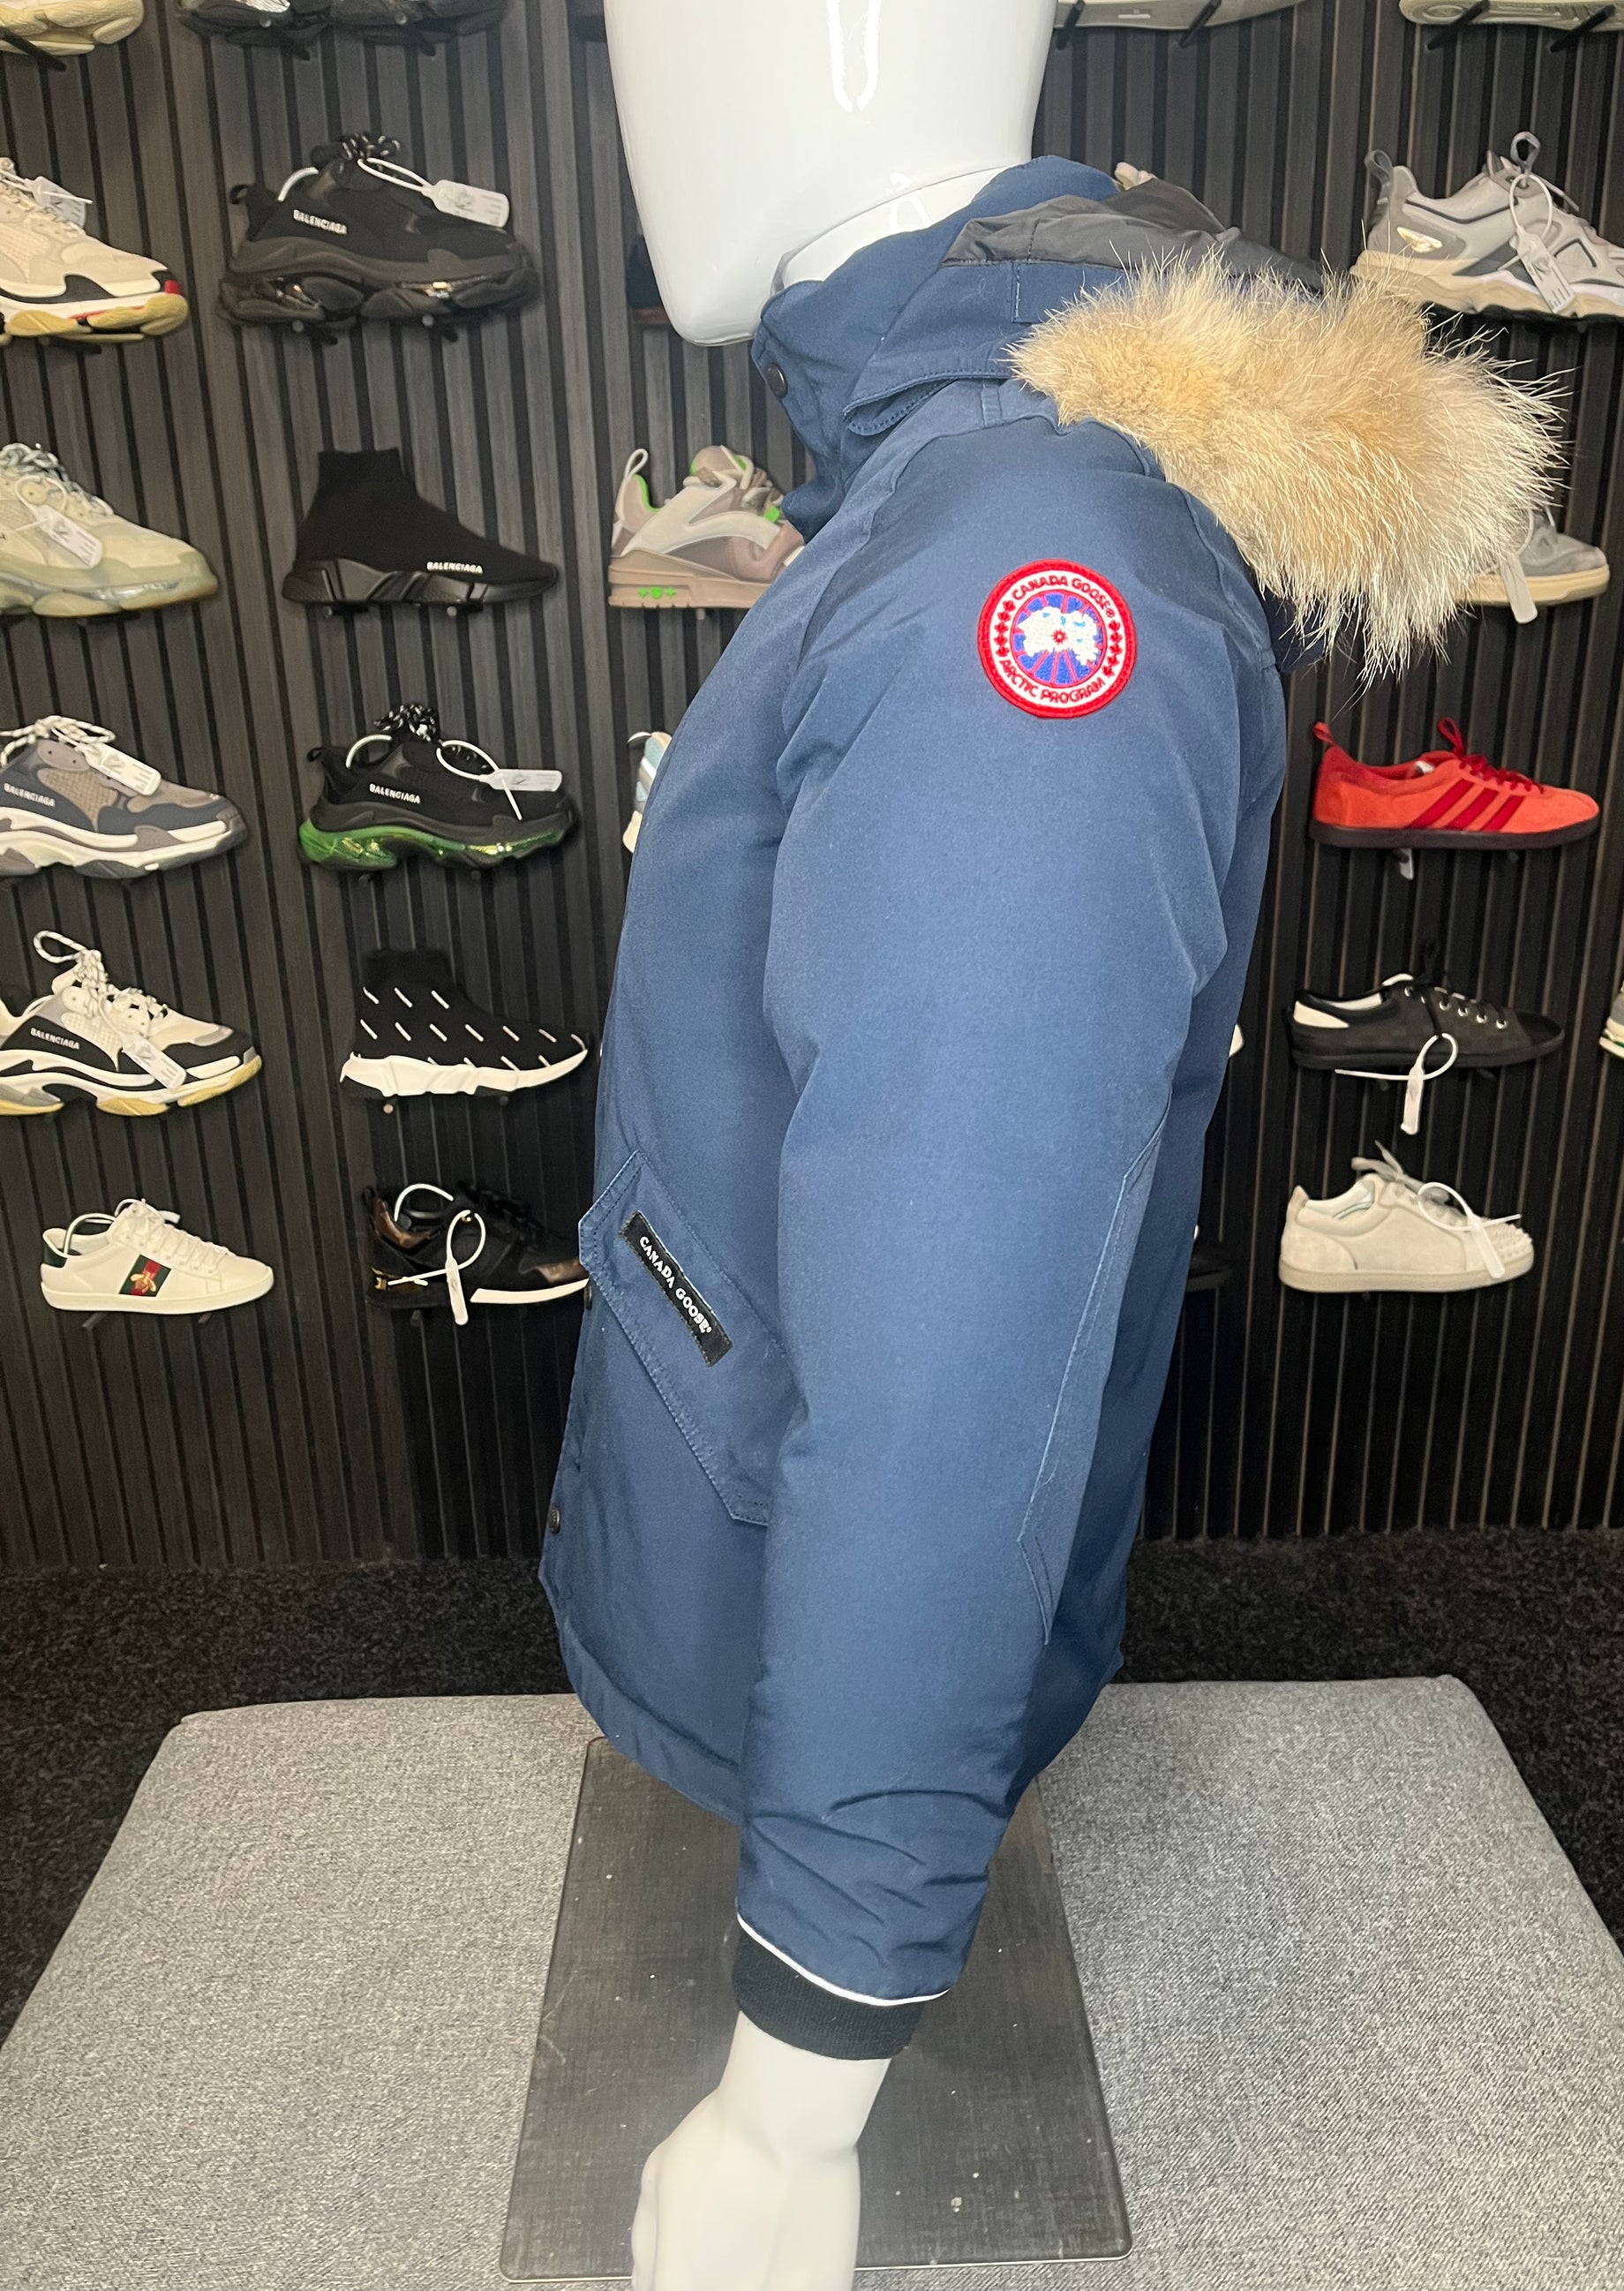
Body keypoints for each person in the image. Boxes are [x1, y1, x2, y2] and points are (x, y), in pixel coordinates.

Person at [541, 5, 1553, 2284]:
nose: (623, 84)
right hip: (756, 1543)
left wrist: (800, 2080)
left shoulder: (1023, 562)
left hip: (815, 1611)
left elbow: (955, 1368)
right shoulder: (943, 484)